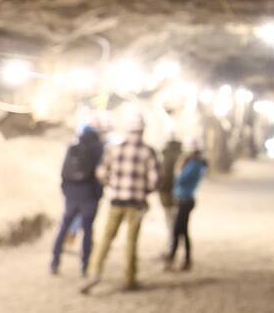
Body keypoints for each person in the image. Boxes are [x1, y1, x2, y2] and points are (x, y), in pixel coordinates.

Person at [80, 111, 159, 294]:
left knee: (106, 239)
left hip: (116, 201)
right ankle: (129, 279)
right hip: (136, 204)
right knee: (131, 242)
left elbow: (100, 172)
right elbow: (154, 180)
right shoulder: (148, 152)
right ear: (143, 130)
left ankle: (94, 273)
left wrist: (112, 185)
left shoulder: (114, 149)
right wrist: (144, 191)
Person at [50, 124, 103, 276]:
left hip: (71, 197)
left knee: (63, 229)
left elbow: (63, 174)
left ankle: (55, 262)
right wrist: (97, 196)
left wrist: (67, 193)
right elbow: (99, 178)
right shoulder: (97, 150)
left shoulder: (72, 149)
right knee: (87, 232)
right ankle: (85, 266)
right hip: (89, 197)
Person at [165, 139, 208, 272]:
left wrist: (178, 168)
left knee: (178, 231)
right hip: (183, 199)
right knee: (182, 231)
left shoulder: (195, 165)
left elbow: (181, 179)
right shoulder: (194, 163)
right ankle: (184, 259)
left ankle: (174, 258)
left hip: (185, 201)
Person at [156, 135, 183, 247]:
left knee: (170, 220)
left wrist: (160, 187)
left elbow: (166, 177)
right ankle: (173, 244)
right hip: (177, 193)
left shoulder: (168, 157)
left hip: (168, 193)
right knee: (174, 219)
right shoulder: (180, 156)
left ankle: (172, 245)